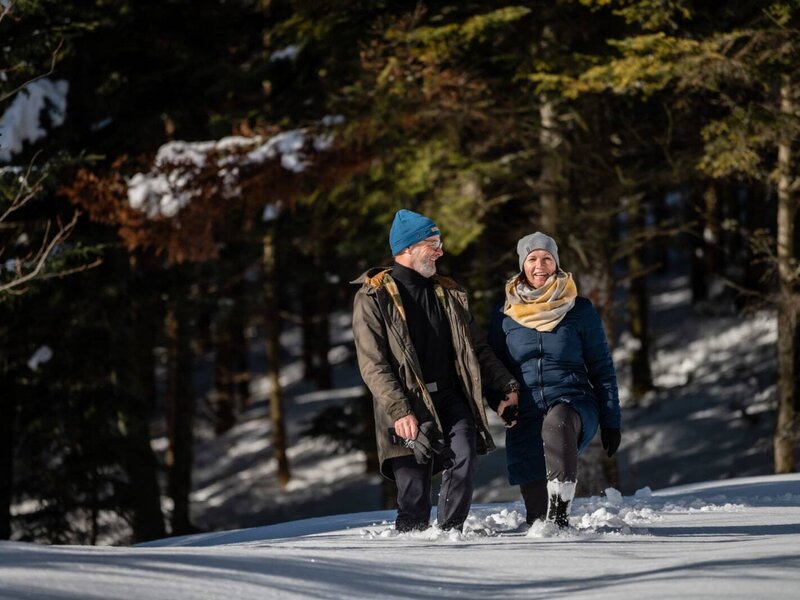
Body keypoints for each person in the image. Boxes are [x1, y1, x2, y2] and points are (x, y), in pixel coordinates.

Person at [352, 209, 520, 533]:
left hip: (450, 396)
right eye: (433, 243)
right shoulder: (373, 296)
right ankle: (411, 557)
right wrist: (401, 410)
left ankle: (449, 535)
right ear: (408, 248)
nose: (441, 251)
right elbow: (373, 364)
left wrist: (502, 390)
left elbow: (477, 350)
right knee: (414, 496)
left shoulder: (448, 293)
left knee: (465, 458)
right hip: (404, 404)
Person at [487, 232, 622, 528]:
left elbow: (601, 366)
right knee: (537, 518)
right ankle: (547, 539)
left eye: (547, 258)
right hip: (525, 410)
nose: (540, 265)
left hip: (572, 400)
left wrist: (612, 418)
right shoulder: (503, 314)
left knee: (557, 422)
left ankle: (561, 518)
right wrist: (498, 400)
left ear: (557, 263)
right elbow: (491, 365)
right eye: (532, 259)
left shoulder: (579, 310)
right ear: (522, 264)